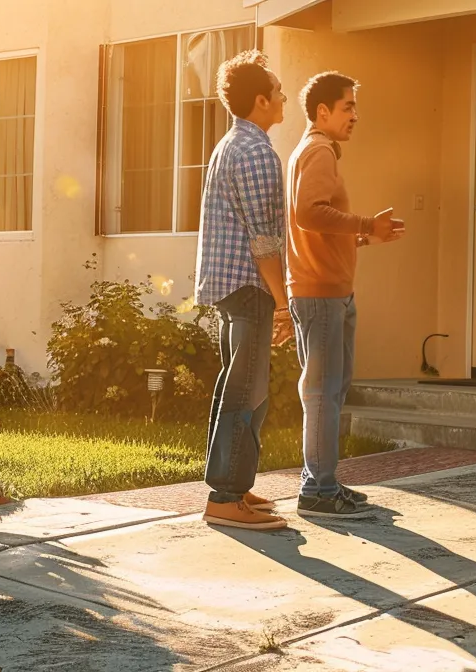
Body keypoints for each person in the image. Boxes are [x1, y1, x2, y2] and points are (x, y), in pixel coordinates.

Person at [286, 72, 404, 518]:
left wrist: (367, 236)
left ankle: (323, 483)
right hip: (320, 295)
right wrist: (363, 224)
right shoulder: (317, 150)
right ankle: (317, 492)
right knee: (321, 391)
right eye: (348, 107)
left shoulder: (318, 151)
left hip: (331, 291)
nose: (356, 115)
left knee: (330, 390)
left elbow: (319, 227)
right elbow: (307, 214)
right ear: (323, 112)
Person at [193, 51, 291, 531]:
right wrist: (284, 304)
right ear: (260, 100)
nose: (284, 97)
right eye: (277, 91)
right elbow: (264, 241)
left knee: (241, 386)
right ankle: (226, 497)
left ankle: (236, 484)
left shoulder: (231, 143)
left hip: (230, 286)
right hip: (250, 286)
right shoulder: (257, 153)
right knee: (246, 392)